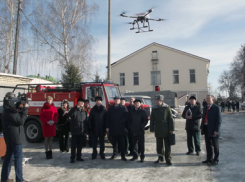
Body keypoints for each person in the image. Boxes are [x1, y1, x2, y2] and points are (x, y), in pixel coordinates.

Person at [1, 92, 30, 182]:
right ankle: (19, 179)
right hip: (15, 137)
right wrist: (25, 109)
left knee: (9, 157)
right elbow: (21, 120)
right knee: (18, 158)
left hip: (11, 137)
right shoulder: (9, 111)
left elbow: (16, 111)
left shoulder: (8, 108)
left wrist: (20, 106)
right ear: (9, 100)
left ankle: (4, 178)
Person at [150, 95, 174, 165]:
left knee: (167, 145)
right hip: (158, 129)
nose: (156, 101)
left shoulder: (167, 107)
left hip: (166, 129)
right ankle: (160, 157)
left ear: (161, 101)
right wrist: (152, 128)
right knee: (159, 145)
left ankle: (168, 159)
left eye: (157, 100)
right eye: (156, 100)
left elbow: (170, 119)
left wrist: (171, 129)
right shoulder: (154, 108)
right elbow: (152, 119)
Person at [200, 95, 222, 165]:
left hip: (213, 129)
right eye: (206, 98)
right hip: (206, 128)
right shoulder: (206, 107)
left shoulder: (216, 108)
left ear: (212, 99)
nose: (207, 100)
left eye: (209, 98)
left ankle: (216, 159)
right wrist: (202, 127)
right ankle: (209, 159)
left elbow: (219, 120)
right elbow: (203, 118)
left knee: (215, 145)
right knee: (208, 145)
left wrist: (216, 130)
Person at [106, 96, 128, 161]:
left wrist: (124, 125)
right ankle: (114, 154)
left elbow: (126, 117)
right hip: (113, 128)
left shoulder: (123, 108)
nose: (116, 101)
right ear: (114, 101)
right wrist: (107, 127)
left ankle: (123, 155)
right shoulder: (110, 108)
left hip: (121, 128)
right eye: (115, 100)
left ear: (119, 101)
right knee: (114, 142)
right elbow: (108, 118)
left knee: (122, 142)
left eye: (118, 100)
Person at [67, 98, 87, 163]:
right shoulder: (74, 110)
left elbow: (85, 122)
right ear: (77, 103)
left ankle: (79, 156)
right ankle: (72, 158)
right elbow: (69, 114)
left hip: (81, 131)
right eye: (80, 102)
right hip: (75, 130)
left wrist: (85, 131)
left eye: (82, 103)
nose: (81, 104)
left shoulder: (84, 112)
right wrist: (75, 107)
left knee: (80, 145)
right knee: (73, 146)